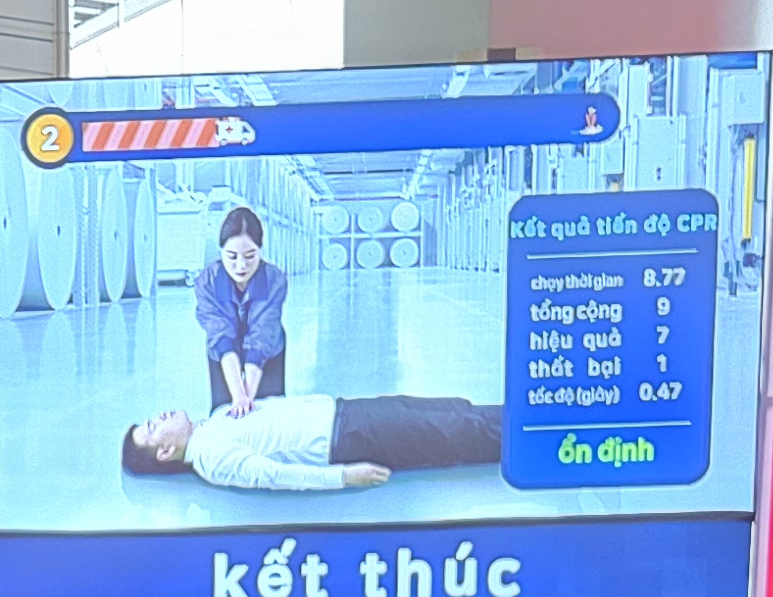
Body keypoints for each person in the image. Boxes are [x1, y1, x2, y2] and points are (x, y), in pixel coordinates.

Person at [121, 392, 500, 492]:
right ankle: (529, 436)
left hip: (347, 410)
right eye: (152, 429)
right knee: (455, 431)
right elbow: (275, 475)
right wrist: (344, 476)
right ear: (166, 452)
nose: (158, 416)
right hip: (349, 438)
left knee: (452, 409)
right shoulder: (211, 458)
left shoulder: (216, 418)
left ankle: (525, 411)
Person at [194, 202, 289, 416]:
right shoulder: (209, 282)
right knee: (224, 412)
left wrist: (247, 397)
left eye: (250, 256)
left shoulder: (273, 280)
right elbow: (221, 335)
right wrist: (239, 397)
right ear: (221, 251)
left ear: (260, 251)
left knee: (269, 413)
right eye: (231, 256)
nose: (241, 266)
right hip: (224, 354)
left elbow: (262, 334)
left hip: (267, 352)